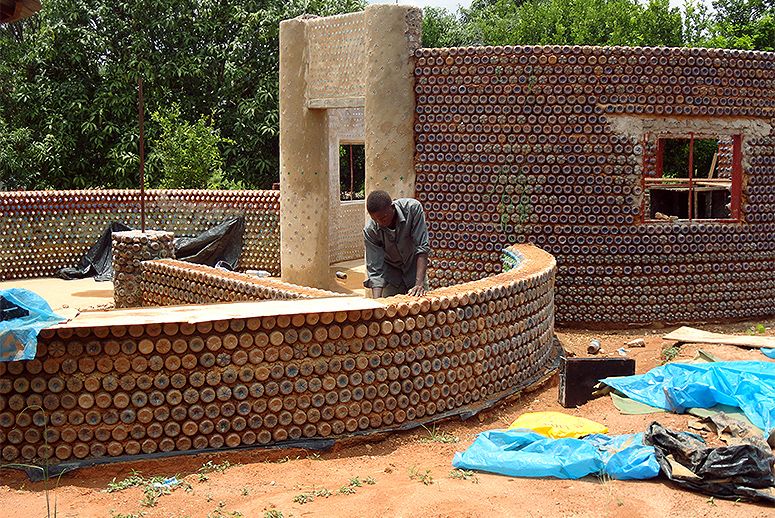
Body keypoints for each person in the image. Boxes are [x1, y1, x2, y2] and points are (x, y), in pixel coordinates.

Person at [363, 190, 430, 298]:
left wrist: (419, 284)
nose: (379, 223)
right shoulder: (371, 230)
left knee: (422, 308)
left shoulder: (412, 209)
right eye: (375, 219)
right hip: (392, 277)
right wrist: (377, 303)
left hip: (414, 271)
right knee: (390, 311)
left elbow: (422, 247)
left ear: (392, 207)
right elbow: (375, 269)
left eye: (383, 218)